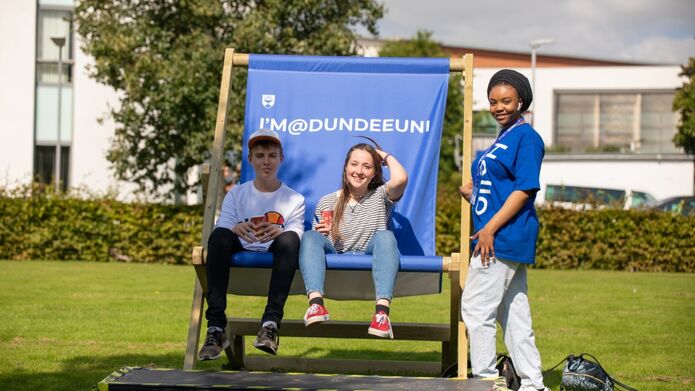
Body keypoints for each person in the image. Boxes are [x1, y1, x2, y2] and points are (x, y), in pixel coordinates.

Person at [459, 69, 549, 391]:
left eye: (506, 101)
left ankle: (485, 381)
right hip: (495, 236)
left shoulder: (527, 137)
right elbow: (500, 185)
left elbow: (525, 189)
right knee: (513, 315)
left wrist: (490, 229)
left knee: (475, 308)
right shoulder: (504, 136)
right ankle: (533, 384)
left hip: (500, 238)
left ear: (521, 101)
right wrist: (475, 191)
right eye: (493, 101)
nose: (499, 107)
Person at [198, 129, 305, 360]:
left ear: (280, 159)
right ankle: (216, 328)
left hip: (276, 250)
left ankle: (270, 325)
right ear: (250, 159)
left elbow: (297, 233)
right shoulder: (236, 194)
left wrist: (281, 230)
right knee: (219, 236)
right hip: (240, 245)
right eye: (260, 156)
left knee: (290, 239)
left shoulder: (295, 199)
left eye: (272, 155)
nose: (266, 161)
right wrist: (234, 228)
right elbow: (223, 225)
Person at [298, 142, 407, 338]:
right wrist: (322, 234)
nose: (359, 171)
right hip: (336, 262)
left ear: (374, 173)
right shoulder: (327, 201)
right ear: (345, 168)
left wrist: (384, 155)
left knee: (386, 237)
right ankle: (316, 306)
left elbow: (401, 178)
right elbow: (315, 245)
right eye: (354, 164)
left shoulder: (381, 195)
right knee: (310, 236)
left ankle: (381, 315)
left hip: (371, 256)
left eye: (367, 166)